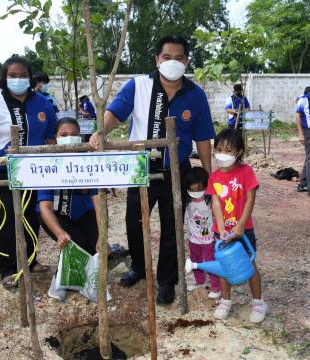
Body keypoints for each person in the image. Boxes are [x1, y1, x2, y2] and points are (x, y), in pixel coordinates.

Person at [89, 35, 215, 305]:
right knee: (135, 221)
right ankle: (138, 266)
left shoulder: (195, 95)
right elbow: (115, 113)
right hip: (140, 167)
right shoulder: (138, 86)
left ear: (187, 61)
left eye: (179, 58)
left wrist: (209, 175)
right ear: (157, 60)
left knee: (172, 225)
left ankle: (167, 281)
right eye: (167, 57)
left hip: (176, 170)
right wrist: (100, 131)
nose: (173, 62)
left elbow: (203, 138)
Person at [0, 55, 57, 289]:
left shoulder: (43, 103)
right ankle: (8, 270)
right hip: (2, 170)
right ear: (4, 78)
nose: (18, 79)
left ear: (30, 78)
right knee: (7, 218)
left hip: (34, 169)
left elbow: (51, 137)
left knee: (31, 215)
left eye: (22, 75)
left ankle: (31, 260)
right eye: (12, 75)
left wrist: (54, 164)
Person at [206, 128, 267, 323]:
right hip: (222, 231)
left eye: (227, 150)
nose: (221, 154)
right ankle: (225, 301)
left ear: (239, 152)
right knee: (225, 265)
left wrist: (240, 224)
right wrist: (221, 228)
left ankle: (258, 302)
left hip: (243, 229)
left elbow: (250, 199)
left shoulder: (246, 172)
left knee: (249, 264)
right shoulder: (214, 176)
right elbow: (215, 202)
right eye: (218, 149)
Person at [38, 117, 101, 300]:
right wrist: (59, 233)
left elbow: (98, 203)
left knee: (95, 248)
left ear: (81, 136)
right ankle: (59, 283)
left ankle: (83, 282)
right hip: (56, 215)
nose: (69, 138)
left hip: (83, 213)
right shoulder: (48, 164)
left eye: (74, 134)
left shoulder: (88, 161)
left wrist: (103, 236)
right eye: (63, 135)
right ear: (55, 137)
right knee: (75, 242)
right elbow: (45, 207)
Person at [184, 167, 221, 299]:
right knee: (195, 260)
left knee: (210, 261)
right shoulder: (187, 199)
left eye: (199, 190)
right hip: (193, 237)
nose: (196, 194)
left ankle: (216, 286)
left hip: (208, 238)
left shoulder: (210, 200)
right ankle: (200, 282)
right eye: (192, 191)